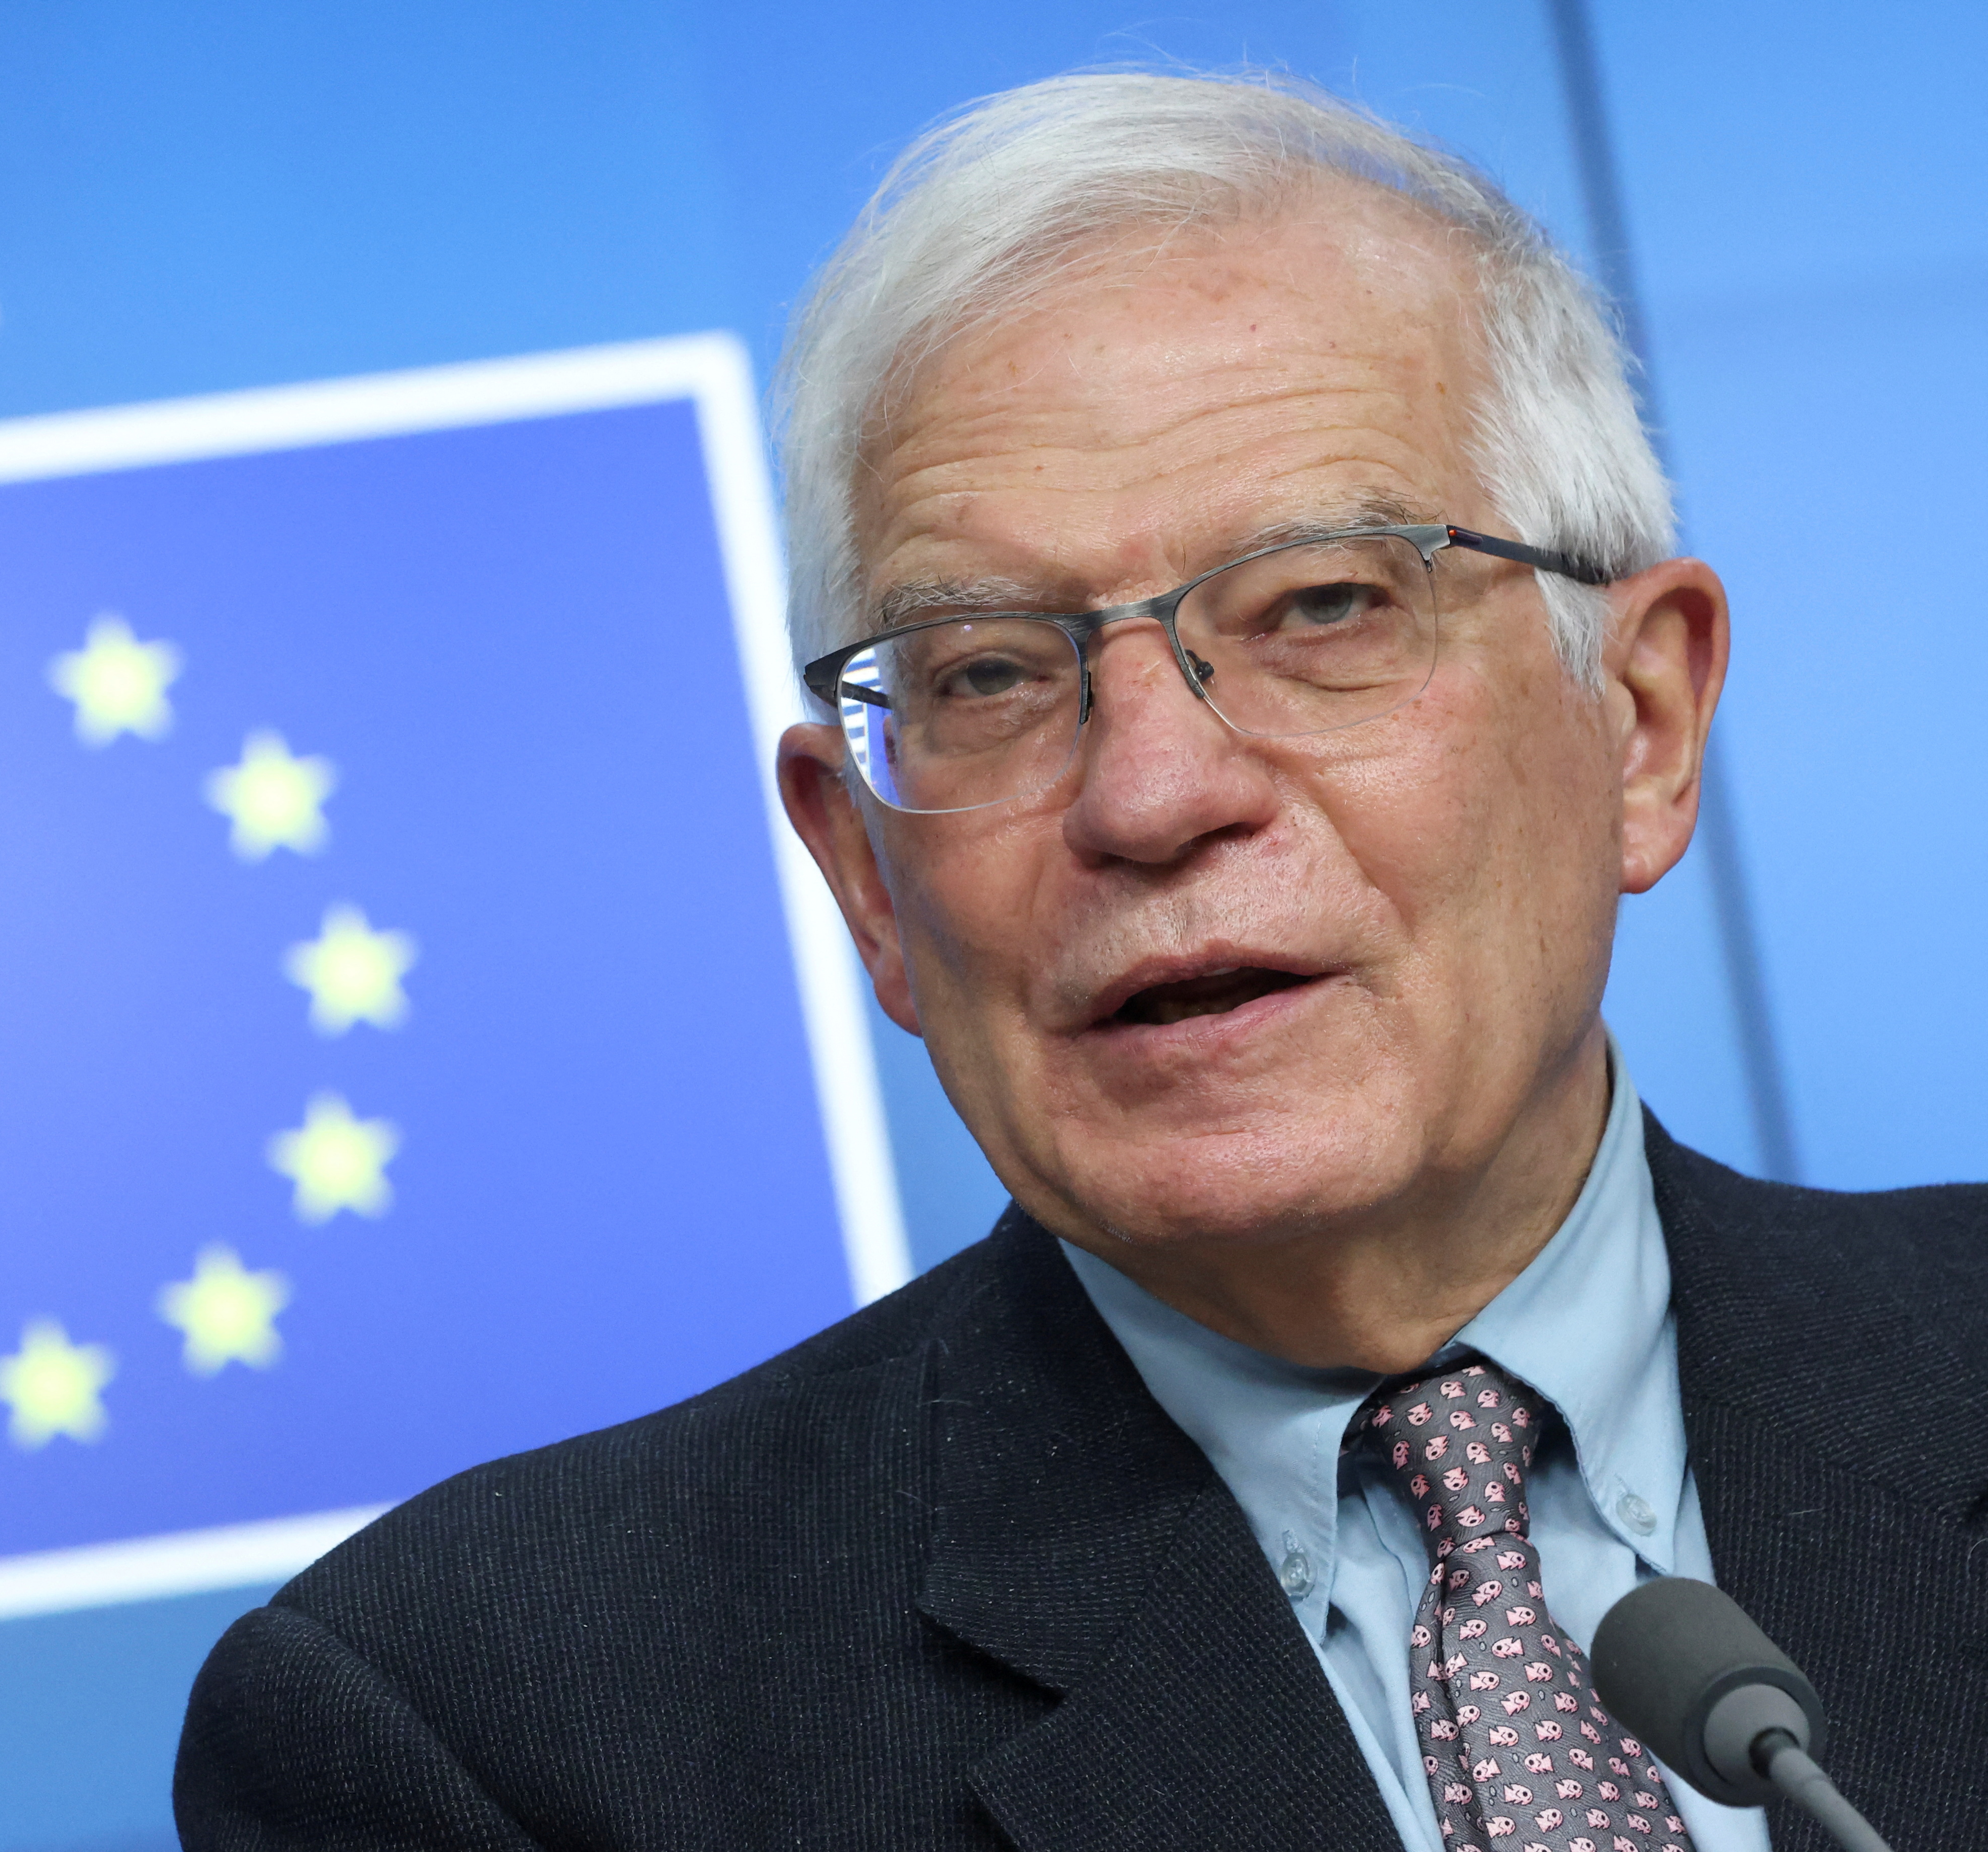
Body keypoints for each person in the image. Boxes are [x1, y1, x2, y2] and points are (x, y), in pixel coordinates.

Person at [172, 72, 1988, 1852]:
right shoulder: (488, 1735)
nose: (1152, 792)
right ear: (865, 878)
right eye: (982, 675)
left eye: (1322, 606)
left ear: (1642, 722)